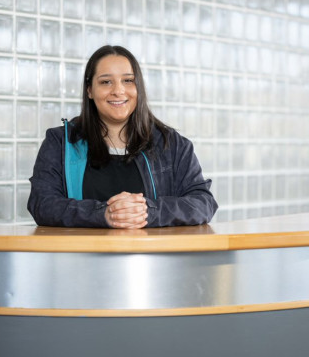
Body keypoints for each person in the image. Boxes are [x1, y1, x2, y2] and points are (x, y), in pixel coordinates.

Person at [28, 45, 217, 228]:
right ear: (89, 90)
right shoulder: (61, 143)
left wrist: (147, 211)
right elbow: (42, 204)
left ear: (139, 88)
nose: (118, 91)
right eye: (105, 82)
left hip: (154, 259)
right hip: (81, 258)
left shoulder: (171, 144)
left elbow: (203, 203)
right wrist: (103, 214)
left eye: (128, 80)